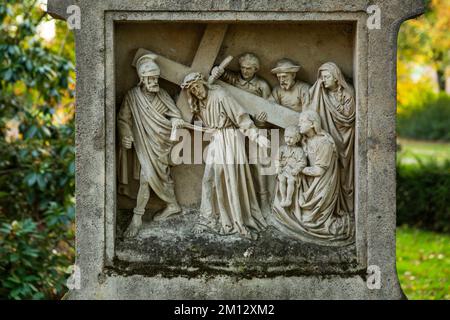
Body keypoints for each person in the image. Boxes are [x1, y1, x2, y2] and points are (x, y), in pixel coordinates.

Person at [180, 72, 269, 240]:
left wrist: (257, 136)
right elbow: (204, 126)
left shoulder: (220, 95)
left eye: (197, 86)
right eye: (192, 90)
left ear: (203, 83)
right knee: (208, 179)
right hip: (216, 141)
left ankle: (236, 221)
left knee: (229, 180)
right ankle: (207, 218)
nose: (197, 92)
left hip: (230, 140)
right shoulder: (200, 103)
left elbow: (240, 117)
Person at [118, 53, 184, 237]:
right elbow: (123, 119)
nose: (155, 81)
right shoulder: (132, 97)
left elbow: (175, 113)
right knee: (146, 178)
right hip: (144, 145)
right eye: (151, 78)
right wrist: (126, 134)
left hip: (161, 144)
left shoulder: (162, 94)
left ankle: (172, 205)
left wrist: (177, 121)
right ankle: (137, 218)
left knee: (161, 177)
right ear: (142, 79)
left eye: (156, 78)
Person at [272, 110, 354, 245]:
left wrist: (297, 169)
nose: (299, 124)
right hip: (307, 180)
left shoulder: (324, 142)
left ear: (312, 124)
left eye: (302, 122)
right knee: (282, 183)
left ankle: (309, 217)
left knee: (306, 219)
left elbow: (318, 171)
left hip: (320, 185)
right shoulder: (305, 139)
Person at [211, 53, 272, 215]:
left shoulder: (262, 86)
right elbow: (218, 75)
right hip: (235, 129)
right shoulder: (234, 79)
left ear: (256, 69)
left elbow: (271, 112)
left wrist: (260, 122)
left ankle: (264, 201)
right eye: (243, 68)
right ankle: (240, 203)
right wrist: (217, 70)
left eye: (249, 69)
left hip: (256, 129)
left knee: (257, 163)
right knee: (236, 164)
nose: (245, 71)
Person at [308, 62, 355, 215]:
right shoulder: (323, 94)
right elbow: (313, 102)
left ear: (336, 78)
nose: (324, 80)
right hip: (330, 135)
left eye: (327, 77)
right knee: (330, 170)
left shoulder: (348, 94)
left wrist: (338, 109)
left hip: (345, 136)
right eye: (322, 77)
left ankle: (345, 206)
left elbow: (349, 117)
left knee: (344, 171)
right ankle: (333, 206)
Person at [276, 126, 307, 207]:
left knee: (291, 181)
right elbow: (276, 159)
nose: (288, 140)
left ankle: (288, 199)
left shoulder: (299, 150)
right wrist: (278, 167)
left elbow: (302, 162)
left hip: (293, 171)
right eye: (286, 137)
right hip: (283, 169)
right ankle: (283, 198)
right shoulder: (282, 149)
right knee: (281, 179)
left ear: (297, 139)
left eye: (291, 137)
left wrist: (296, 169)